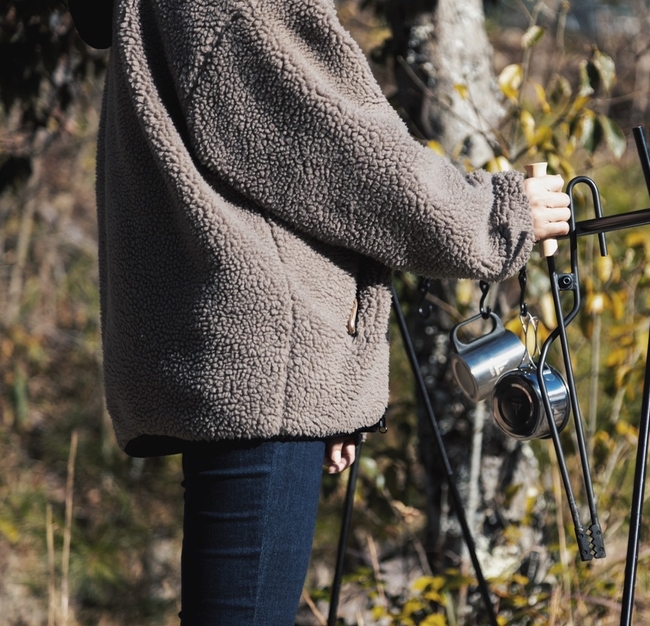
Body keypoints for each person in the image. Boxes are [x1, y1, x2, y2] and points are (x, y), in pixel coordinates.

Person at [92, 0, 570, 623]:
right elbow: (341, 155)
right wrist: (494, 217)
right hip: (258, 365)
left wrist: (322, 375)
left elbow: (279, 176)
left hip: (247, 361)